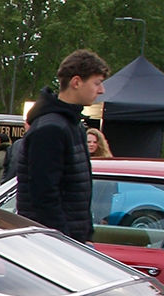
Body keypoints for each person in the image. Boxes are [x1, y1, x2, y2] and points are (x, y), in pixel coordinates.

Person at [17, 49, 110, 242]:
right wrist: (64, 241)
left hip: (67, 239)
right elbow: (43, 195)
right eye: (97, 83)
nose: (101, 90)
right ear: (76, 82)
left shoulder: (71, 124)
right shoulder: (51, 128)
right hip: (53, 244)